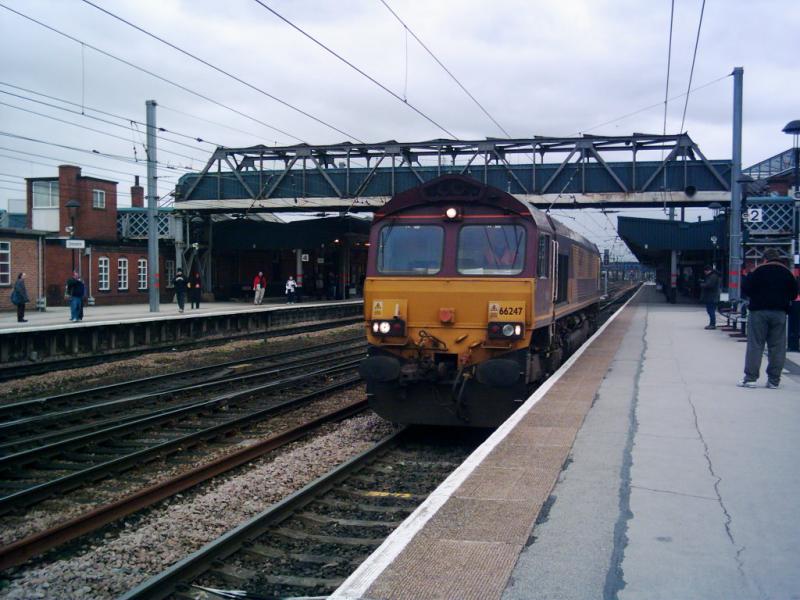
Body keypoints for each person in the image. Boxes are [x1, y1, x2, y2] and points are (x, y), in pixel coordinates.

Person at [739, 248, 799, 388]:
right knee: (777, 347)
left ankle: (751, 379)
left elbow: (745, 288)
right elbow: (794, 293)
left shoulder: (758, 271)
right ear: (779, 259)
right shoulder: (787, 273)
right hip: (779, 313)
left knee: (755, 345)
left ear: (765, 259)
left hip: (758, 312)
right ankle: (773, 380)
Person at [699, 265, 720, 329]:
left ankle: (712, 324)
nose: (705, 273)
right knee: (710, 310)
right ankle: (712, 324)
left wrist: (702, 284)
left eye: (705, 271)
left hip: (712, 297)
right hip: (711, 296)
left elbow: (710, 285)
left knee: (711, 310)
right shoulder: (712, 276)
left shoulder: (713, 276)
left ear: (707, 270)